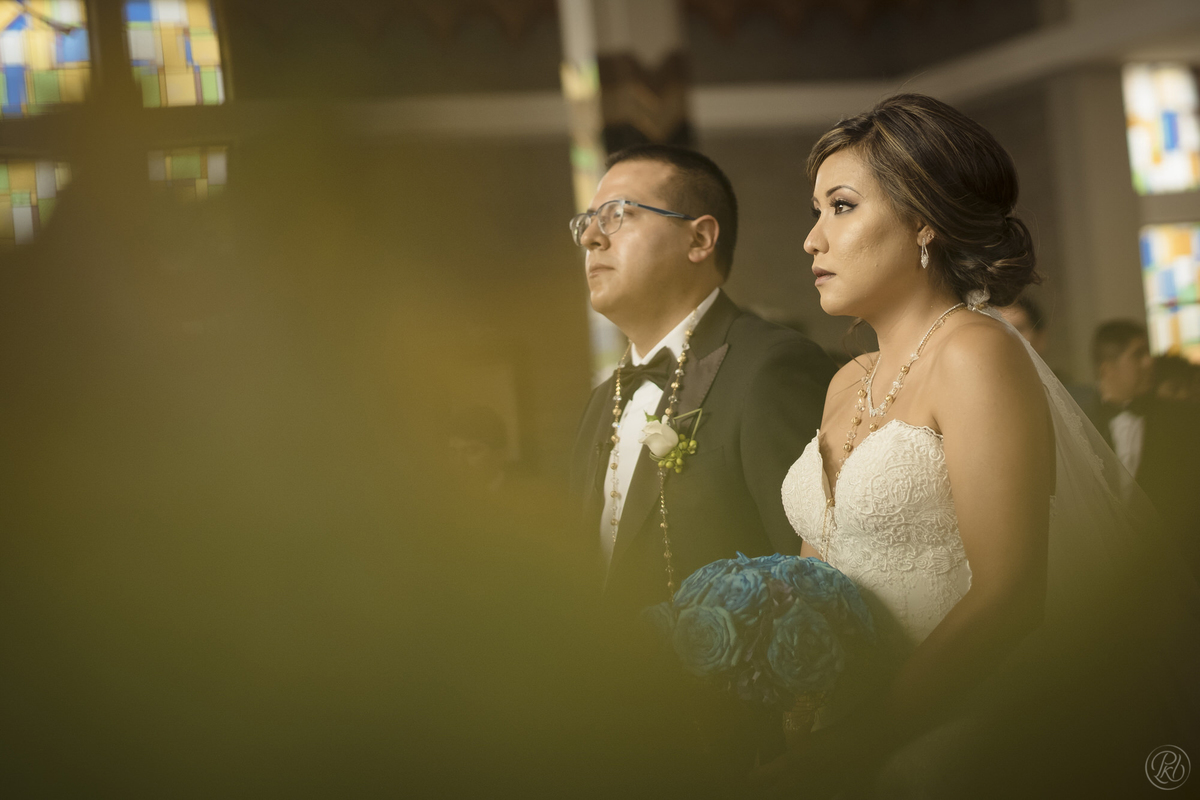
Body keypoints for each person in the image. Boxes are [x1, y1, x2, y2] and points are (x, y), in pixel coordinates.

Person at [761, 94, 1199, 798]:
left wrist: (868, 738)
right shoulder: (847, 380)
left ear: (924, 220)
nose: (812, 239)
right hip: (837, 716)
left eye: (840, 207)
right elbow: (819, 570)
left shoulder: (975, 352)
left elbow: (1011, 595)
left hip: (956, 729)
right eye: (815, 212)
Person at [566, 143, 836, 787]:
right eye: (586, 222)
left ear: (700, 238)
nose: (593, 237)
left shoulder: (770, 368)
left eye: (620, 214)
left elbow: (817, 578)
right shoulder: (602, 401)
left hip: (733, 750)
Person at [1089, 321, 1200, 575]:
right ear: (1107, 369)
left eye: (1148, 353)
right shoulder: (1079, 421)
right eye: (1137, 355)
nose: (1150, 362)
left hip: (1177, 566)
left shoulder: (1185, 420)